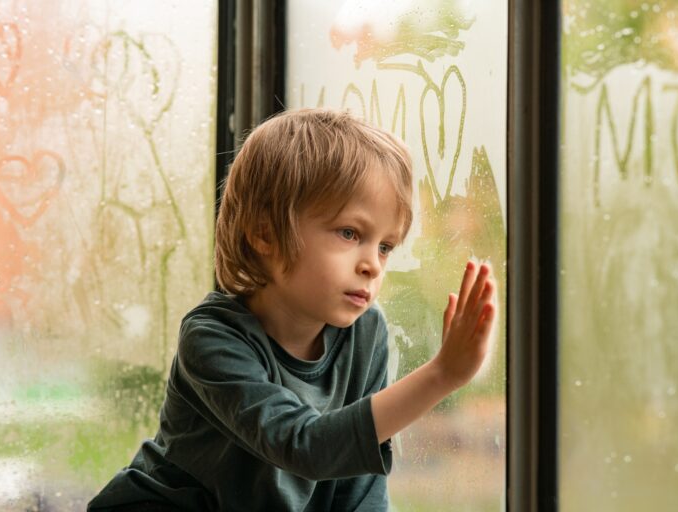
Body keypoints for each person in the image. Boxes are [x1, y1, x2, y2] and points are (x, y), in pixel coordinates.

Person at [87, 108, 496, 511]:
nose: (372, 263)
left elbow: (358, 485)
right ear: (265, 233)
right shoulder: (212, 338)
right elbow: (304, 445)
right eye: (350, 233)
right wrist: (442, 374)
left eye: (385, 246)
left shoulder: (366, 334)